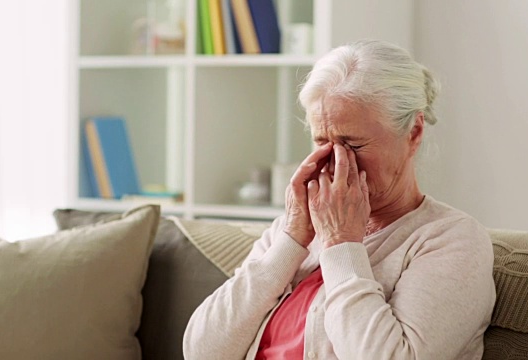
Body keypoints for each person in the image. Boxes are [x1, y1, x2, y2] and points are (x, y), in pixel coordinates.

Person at [183, 39, 496, 360]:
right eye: (322, 141)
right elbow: (202, 351)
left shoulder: (451, 239)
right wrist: (290, 240)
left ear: (413, 133)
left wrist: (342, 244)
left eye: (354, 145)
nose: (335, 161)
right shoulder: (296, 229)